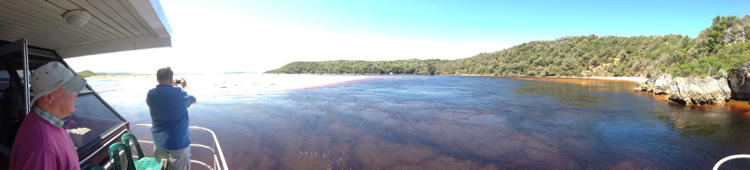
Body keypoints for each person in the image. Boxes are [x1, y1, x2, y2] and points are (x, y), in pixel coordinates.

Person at [10, 61, 86, 170]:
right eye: (70, 89)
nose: (76, 95)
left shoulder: (44, 122)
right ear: (49, 97)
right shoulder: (41, 150)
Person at [146, 67, 196, 170]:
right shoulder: (178, 92)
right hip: (177, 143)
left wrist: (170, 87)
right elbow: (194, 99)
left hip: (159, 142)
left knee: (166, 164)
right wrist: (184, 87)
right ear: (171, 77)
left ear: (157, 79)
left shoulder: (150, 94)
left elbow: (164, 100)